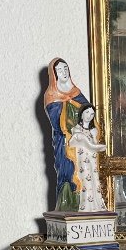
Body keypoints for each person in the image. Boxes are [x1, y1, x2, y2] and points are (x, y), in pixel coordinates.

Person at [43, 57, 90, 211]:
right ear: (54, 75)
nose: (63, 72)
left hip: (81, 142)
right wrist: (68, 106)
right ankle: (67, 201)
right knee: (67, 169)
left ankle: (84, 200)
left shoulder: (76, 92)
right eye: (59, 70)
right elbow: (56, 120)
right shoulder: (51, 96)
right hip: (64, 141)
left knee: (83, 170)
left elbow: (89, 111)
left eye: (65, 69)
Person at [68, 105, 107, 212]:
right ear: (81, 114)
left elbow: (94, 145)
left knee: (94, 179)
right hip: (82, 159)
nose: (89, 116)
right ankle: (86, 206)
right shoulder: (76, 129)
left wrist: (94, 136)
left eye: (92, 114)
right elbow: (71, 143)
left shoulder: (92, 131)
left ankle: (97, 205)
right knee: (86, 180)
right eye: (87, 113)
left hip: (92, 159)